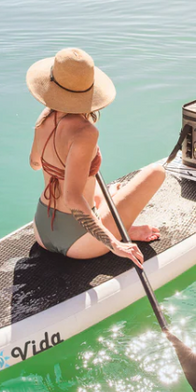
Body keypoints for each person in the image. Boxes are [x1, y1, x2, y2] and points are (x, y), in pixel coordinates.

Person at [26, 47, 165, 268]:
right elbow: (73, 199)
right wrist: (113, 244)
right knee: (156, 173)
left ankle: (113, 212)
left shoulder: (44, 117)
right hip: (79, 243)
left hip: (42, 228)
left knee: (100, 190)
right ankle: (121, 231)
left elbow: (34, 163)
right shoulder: (85, 132)